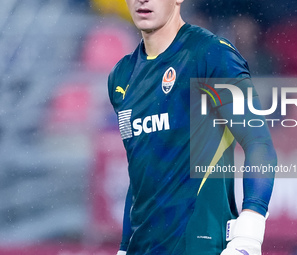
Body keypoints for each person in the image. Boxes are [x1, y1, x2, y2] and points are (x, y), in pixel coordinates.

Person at [108, 0, 277, 254]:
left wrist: (250, 232)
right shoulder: (121, 76)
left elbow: (258, 142)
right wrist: (124, 247)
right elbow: (140, 171)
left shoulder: (211, 54)